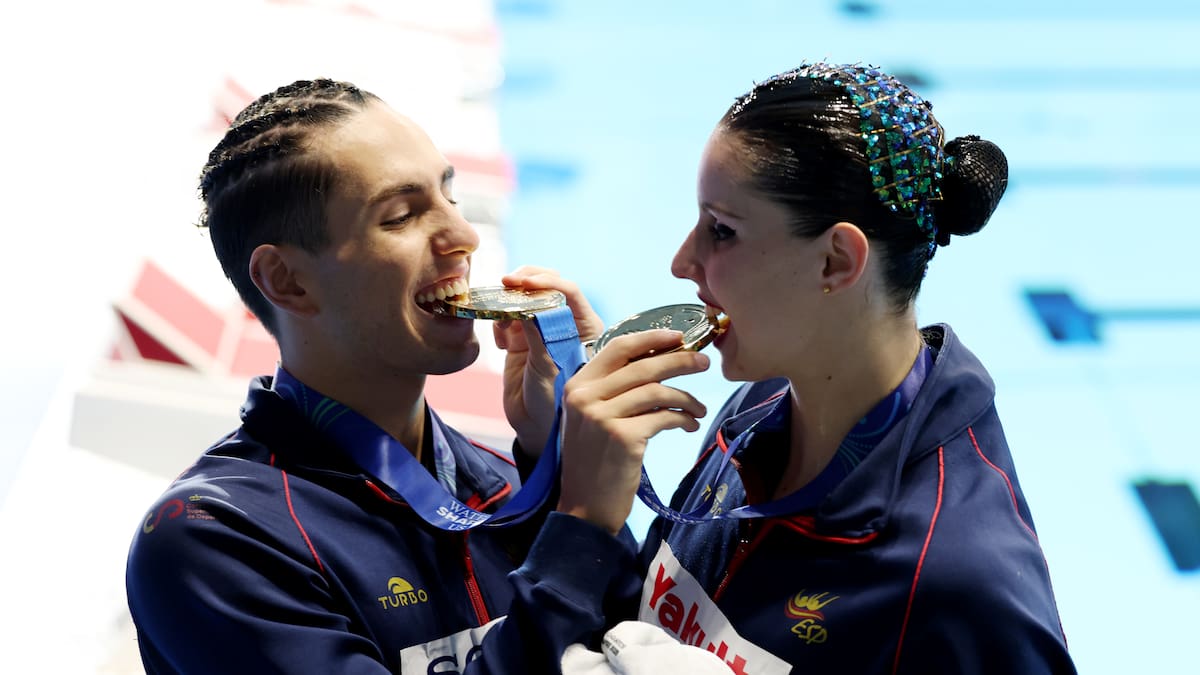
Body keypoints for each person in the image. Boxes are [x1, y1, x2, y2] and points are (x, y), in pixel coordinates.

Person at [124, 78, 710, 674]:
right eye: (402, 216)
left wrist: (551, 464)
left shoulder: (503, 485)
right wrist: (581, 523)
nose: (464, 237)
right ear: (288, 280)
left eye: (449, 196)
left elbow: (633, 650)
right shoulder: (215, 541)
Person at [560, 62, 1077, 673]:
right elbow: (637, 627)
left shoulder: (958, 583)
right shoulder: (762, 401)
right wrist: (568, 468)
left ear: (836, 261)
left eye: (721, 230)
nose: (682, 262)